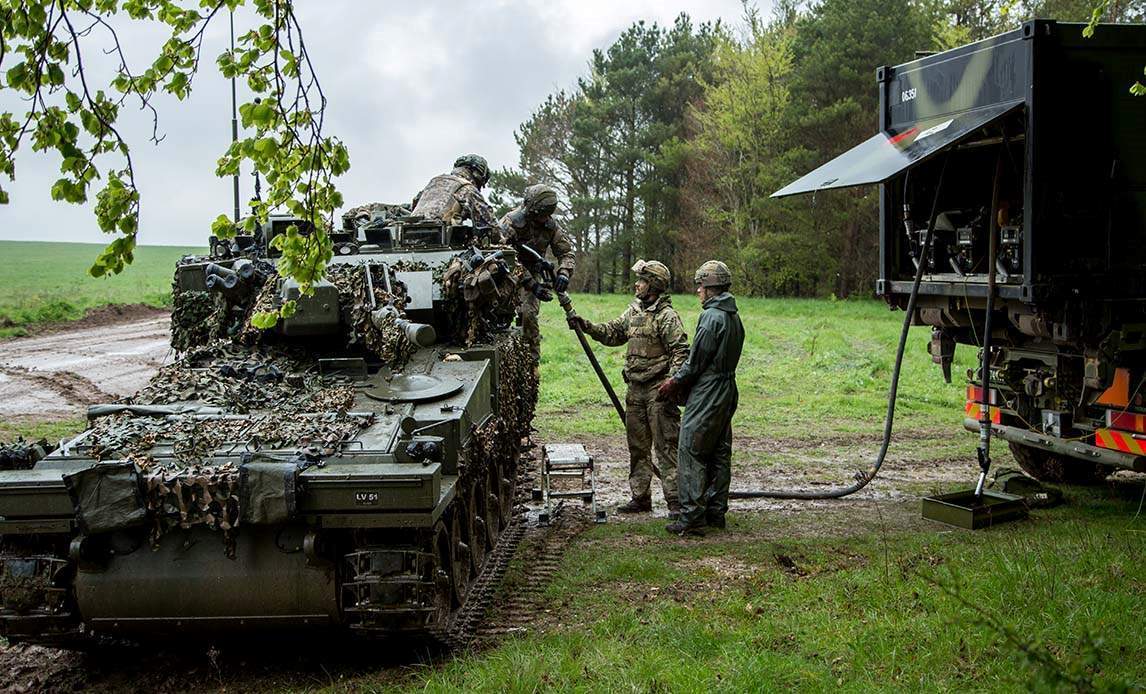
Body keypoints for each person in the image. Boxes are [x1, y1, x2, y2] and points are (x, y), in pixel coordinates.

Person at [568, 260, 690, 519]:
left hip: (658, 392)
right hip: (635, 390)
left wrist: (671, 382)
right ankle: (640, 497)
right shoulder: (633, 312)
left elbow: (680, 352)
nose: (637, 285)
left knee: (666, 447)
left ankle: (676, 502)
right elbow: (612, 333)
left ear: (653, 285)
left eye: (642, 281)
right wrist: (586, 326)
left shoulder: (667, 317)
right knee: (637, 447)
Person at [657, 260, 745, 535]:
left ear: (710, 287)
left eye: (700, 286)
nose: (697, 291)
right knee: (719, 451)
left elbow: (696, 362)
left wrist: (674, 382)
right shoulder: (734, 316)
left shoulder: (711, 317)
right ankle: (716, 512)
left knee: (691, 449)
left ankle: (692, 516)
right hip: (727, 389)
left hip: (708, 390)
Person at [499, 183, 575, 360]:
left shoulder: (551, 226)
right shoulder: (510, 223)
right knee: (500, 315)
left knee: (529, 314)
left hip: (533, 272)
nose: (543, 219)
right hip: (506, 274)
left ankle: (531, 363)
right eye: (540, 215)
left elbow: (566, 252)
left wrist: (564, 272)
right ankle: (503, 359)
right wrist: (532, 285)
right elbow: (502, 256)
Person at [410, 154, 498, 230]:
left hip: (408, 236)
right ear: (478, 176)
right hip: (439, 239)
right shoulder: (467, 188)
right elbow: (491, 226)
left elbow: (414, 205)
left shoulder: (434, 183)